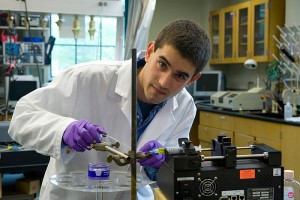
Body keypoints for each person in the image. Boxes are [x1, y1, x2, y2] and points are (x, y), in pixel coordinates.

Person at [8, 19, 211, 200]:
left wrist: (160, 165)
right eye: (162, 64)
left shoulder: (185, 107)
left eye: (180, 76)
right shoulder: (86, 78)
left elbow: (174, 172)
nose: (164, 82)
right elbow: (22, 116)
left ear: (193, 79)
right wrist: (64, 130)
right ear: (150, 51)